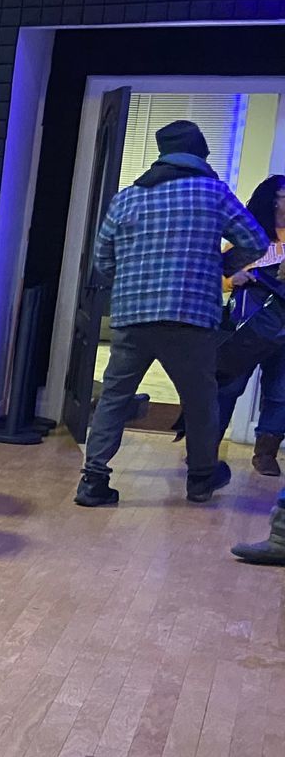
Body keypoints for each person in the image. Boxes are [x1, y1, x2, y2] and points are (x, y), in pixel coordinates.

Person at [76, 119, 267, 507]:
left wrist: (131, 283)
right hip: (190, 316)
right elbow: (256, 241)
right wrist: (222, 267)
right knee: (200, 399)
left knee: (114, 397)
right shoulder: (213, 193)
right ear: (199, 154)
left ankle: (93, 481)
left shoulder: (127, 198)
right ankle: (200, 481)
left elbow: (102, 261)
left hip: (132, 315)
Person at [215, 174, 285, 476]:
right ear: (271, 201)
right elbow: (215, 274)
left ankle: (266, 453)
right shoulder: (250, 239)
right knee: (229, 385)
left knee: (281, 390)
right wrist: (233, 280)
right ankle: (205, 448)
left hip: (282, 327)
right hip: (247, 326)